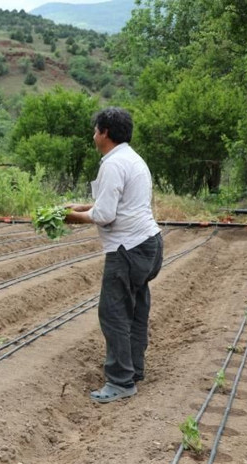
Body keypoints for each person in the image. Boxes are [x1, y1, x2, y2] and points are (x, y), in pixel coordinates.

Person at [65, 107, 163, 403]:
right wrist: (82, 207)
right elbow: (118, 204)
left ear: (105, 132)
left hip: (127, 249)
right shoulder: (133, 159)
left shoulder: (112, 164)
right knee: (135, 310)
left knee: (114, 313)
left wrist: (70, 217)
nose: (94, 135)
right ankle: (133, 370)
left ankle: (120, 381)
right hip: (149, 244)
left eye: (96, 130)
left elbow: (106, 214)